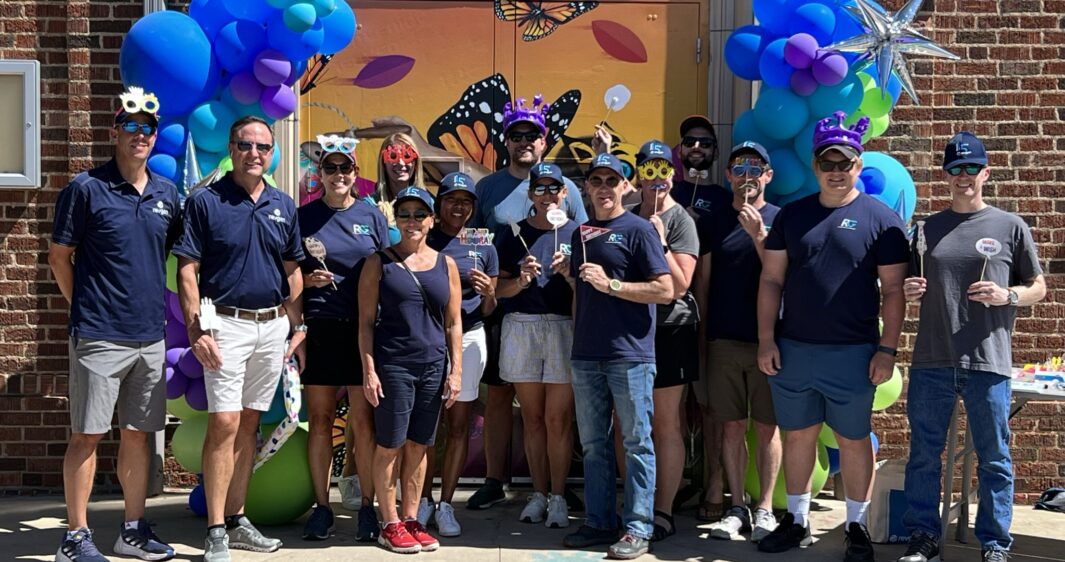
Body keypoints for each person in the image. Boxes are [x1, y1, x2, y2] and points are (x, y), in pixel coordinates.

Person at [756, 112, 909, 562]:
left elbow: (895, 291)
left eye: (845, 162)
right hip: (794, 350)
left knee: (853, 439)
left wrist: (887, 349)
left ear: (859, 165)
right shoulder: (793, 215)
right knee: (798, 436)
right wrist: (767, 339)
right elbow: (770, 281)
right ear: (815, 165)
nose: (837, 171)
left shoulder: (881, 220)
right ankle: (798, 520)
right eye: (828, 162)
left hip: (854, 352)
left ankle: (856, 527)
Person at [897, 132, 1046, 562]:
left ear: (986, 172)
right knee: (924, 454)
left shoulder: (1010, 226)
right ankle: (924, 537)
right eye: (955, 169)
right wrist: (909, 289)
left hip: (989, 360)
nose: (963, 177)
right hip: (932, 358)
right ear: (945, 175)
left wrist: (1008, 296)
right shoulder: (925, 229)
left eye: (971, 169)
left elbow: (1039, 287)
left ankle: (995, 544)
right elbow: (905, 285)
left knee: (994, 456)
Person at [49, 87, 179, 562]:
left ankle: (131, 530)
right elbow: (60, 258)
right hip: (99, 335)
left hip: (150, 336)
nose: (140, 135)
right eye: (131, 126)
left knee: (138, 435)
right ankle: (75, 537)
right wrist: (83, 307)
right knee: (87, 434)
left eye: (148, 128)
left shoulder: (167, 194)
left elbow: (174, 258)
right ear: (114, 132)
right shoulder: (86, 189)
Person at [173, 116, 306, 562]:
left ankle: (236, 517)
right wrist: (197, 330)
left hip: (272, 327)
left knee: (250, 421)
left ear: (272, 154)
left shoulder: (284, 205)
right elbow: (187, 270)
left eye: (263, 147)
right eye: (246, 145)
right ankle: (214, 530)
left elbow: (293, 271)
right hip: (224, 326)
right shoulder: (205, 202)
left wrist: (296, 324)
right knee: (224, 424)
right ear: (232, 148)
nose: (255, 153)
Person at [468, 94, 587, 513]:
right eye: (516, 135)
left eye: (532, 135)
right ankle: (495, 479)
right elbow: (477, 245)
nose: (525, 142)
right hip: (508, 311)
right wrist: (490, 287)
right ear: (506, 141)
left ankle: (557, 487)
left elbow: (585, 237)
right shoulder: (488, 187)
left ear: (544, 140)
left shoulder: (569, 187)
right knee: (501, 397)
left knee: (557, 412)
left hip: (559, 315)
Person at [561, 153, 673, 560]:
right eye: (597, 180)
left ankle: (638, 527)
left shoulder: (640, 230)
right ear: (587, 187)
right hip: (587, 354)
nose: (605, 187)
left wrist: (613, 286)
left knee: (637, 442)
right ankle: (599, 521)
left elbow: (665, 290)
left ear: (627, 185)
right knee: (593, 444)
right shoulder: (580, 234)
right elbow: (582, 295)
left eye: (613, 179)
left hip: (630, 354)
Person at [357, 187, 463, 554]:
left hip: (434, 366)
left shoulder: (445, 264)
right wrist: (369, 371)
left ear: (432, 220)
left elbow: (454, 323)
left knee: (420, 446)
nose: (412, 221)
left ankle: (411, 517)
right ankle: (389, 523)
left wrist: (456, 371)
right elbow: (366, 323)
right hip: (394, 366)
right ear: (395, 220)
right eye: (405, 214)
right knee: (390, 446)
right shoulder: (379, 262)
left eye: (420, 214)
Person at [297, 135, 390, 543]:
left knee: (363, 423)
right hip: (320, 328)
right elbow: (285, 273)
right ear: (320, 174)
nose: (338, 175)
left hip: (363, 332)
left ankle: (367, 507)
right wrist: (304, 280)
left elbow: (390, 272)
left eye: (345, 168)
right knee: (319, 422)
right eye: (330, 168)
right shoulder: (303, 216)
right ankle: (322, 507)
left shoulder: (372, 217)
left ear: (356, 174)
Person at [697, 142, 782, 542]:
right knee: (730, 426)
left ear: (768, 175)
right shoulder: (714, 222)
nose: (747, 173)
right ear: (728, 175)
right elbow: (704, 284)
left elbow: (784, 277)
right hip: (724, 341)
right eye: (739, 167)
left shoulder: (781, 220)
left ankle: (765, 507)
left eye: (755, 167)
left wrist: (759, 235)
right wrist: (702, 336)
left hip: (769, 343)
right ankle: (737, 506)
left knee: (767, 428)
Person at [495, 162, 579, 529]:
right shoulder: (512, 235)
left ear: (565, 193)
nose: (547, 195)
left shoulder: (579, 233)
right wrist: (522, 281)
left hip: (564, 328)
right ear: (530, 194)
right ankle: (539, 493)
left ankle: (559, 497)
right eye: (540, 189)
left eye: (553, 188)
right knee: (531, 419)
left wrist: (570, 274)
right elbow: (497, 292)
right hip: (522, 326)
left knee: (557, 419)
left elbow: (590, 294)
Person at [417, 172, 499, 536]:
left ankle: (446, 503)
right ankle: (420, 500)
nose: (459, 206)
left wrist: (488, 293)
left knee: (459, 424)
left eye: (466, 200)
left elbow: (491, 306)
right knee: (425, 426)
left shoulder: (484, 244)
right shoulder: (423, 238)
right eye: (451, 198)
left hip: (469, 338)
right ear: (439, 203)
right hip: (427, 340)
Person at [626, 140, 701, 542]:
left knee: (665, 423)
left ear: (672, 173)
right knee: (628, 422)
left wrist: (661, 240)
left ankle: (662, 510)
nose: (656, 178)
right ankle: (634, 506)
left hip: (671, 329)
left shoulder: (680, 220)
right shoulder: (627, 214)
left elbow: (680, 283)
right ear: (639, 174)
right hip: (629, 330)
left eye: (663, 169)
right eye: (648, 169)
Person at [669, 115, 731, 218]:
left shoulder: (726, 199)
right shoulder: (666, 193)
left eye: (705, 143)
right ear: (679, 151)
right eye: (689, 142)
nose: (696, 147)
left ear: (716, 153)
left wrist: (700, 224)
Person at [371, 132, 425, 244]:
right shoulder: (370, 205)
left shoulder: (430, 204)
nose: (400, 163)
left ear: (415, 163)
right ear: (383, 163)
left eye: (407, 156)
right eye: (393, 156)